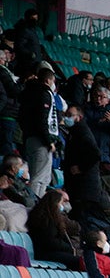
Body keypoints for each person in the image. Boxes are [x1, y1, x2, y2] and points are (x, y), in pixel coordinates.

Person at [62, 104, 110, 231]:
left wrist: (81, 168)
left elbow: (95, 154)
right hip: (80, 187)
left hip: (85, 188)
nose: (67, 118)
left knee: (82, 221)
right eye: (66, 115)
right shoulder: (76, 131)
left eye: (70, 115)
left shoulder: (82, 131)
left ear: (79, 117)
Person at [18, 67, 59, 198]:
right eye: (53, 80)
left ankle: (37, 206)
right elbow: (42, 119)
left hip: (30, 137)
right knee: (38, 177)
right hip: (40, 141)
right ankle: (32, 209)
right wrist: (49, 140)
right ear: (48, 80)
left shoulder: (28, 92)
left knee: (43, 178)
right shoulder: (44, 94)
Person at [27, 190, 81, 268]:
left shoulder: (46, 216)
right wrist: (70, 248)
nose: (62, 205)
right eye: (61, 202)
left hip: (48, 251)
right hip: (45, 253)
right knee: (78, 261)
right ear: (55, 203)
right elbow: (51, 241)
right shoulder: (46, 219)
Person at [84, 86, 110, 164]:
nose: (99, 98)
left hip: (103, 150)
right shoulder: (86, 109)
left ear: (107, 100)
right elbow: (84, 125)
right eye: (97, 96)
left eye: (102, 97)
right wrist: (98, 122)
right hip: (88, 147)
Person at [0, 41, 21, 155]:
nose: (5, 61)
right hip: (7, 113)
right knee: (6, 146)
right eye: (3, 59)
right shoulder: (2, 72)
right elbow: (12, 90)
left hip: (9, 113)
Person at [12, 9, 42, 78]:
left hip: (34, 63)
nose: (35, 21)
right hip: (27, 64)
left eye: (36, 18)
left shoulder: (32, 30)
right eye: (33, 18)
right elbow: (19, 46)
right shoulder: (24, 29)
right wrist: (30, 54)